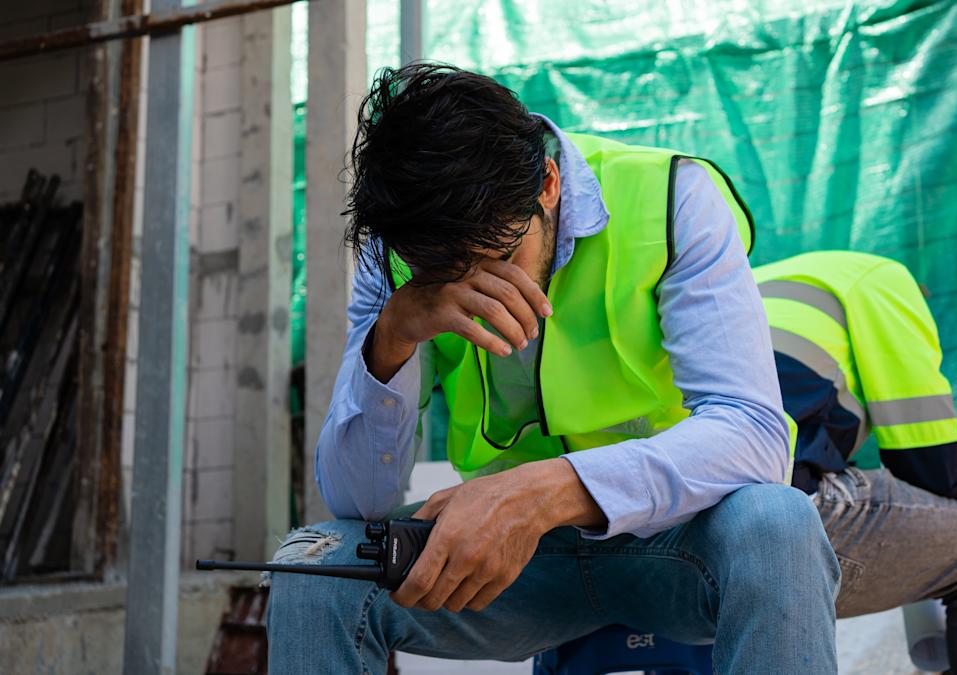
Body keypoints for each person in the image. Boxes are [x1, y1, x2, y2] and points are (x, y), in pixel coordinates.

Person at [266, 63, 840, 673]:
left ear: (548, 184)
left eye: (499, 257)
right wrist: (393, 336)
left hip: (676, 537)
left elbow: (754, 435)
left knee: (777, 523)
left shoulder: (672, 198)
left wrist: (542, 494)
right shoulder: (396, 256)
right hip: (520, 570)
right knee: (313, 566)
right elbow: (356, 500)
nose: (482, 292)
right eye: (445, 274)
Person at [757, 251, 957, 673]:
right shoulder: (886, 281)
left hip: (663, 517)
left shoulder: (757, 280)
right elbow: (926, 453)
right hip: (770, 514)